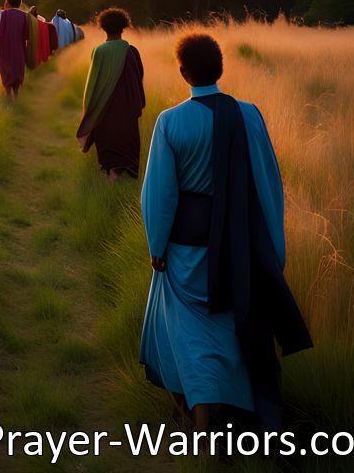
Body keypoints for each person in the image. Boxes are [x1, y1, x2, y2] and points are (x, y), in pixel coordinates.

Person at [140, 34, 313, 431]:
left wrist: (156, 244)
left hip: (187, 243)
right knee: (232, 324)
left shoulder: (170, 121)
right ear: (221, 69)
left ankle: (201, 421)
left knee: (190, 332)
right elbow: (268, 183)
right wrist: (272, 247)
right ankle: (242, 409)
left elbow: (160, 194)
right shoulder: (249, 114)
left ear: (184, 72)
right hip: (241, 242)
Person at [76, 7, 145, 182]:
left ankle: (111, 176)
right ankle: (123, 178)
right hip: (128, 109)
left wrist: (90, 109)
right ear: (123, 27)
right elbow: (139, 78)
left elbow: (93, 85)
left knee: (108, 144)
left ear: (103, 28)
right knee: (127, 145)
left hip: (106, 110)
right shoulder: (132, 51)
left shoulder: (99, 51)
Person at [0, 0, 30, 98]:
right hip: (19, 52)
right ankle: (17, 97)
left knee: (7, 76)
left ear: (7, 2)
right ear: (20, 2)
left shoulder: (2, 15)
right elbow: (27, 35)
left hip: (5, 51)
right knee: (17, 76)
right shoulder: (25, 16)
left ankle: (8, 98)